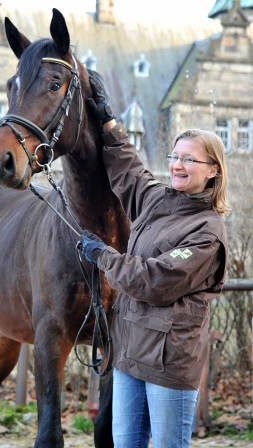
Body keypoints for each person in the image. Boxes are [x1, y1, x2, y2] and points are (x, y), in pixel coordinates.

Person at [80, 73, 230, 448]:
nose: (177, 165)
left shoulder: (207, 232)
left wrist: (103, 255)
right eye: (174, 156)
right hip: (129, 356)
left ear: (213, 170)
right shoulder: (158, 199)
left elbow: (154, 281)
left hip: (168, 365)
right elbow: (129, 170)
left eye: (189, 159)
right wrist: (109, 122)